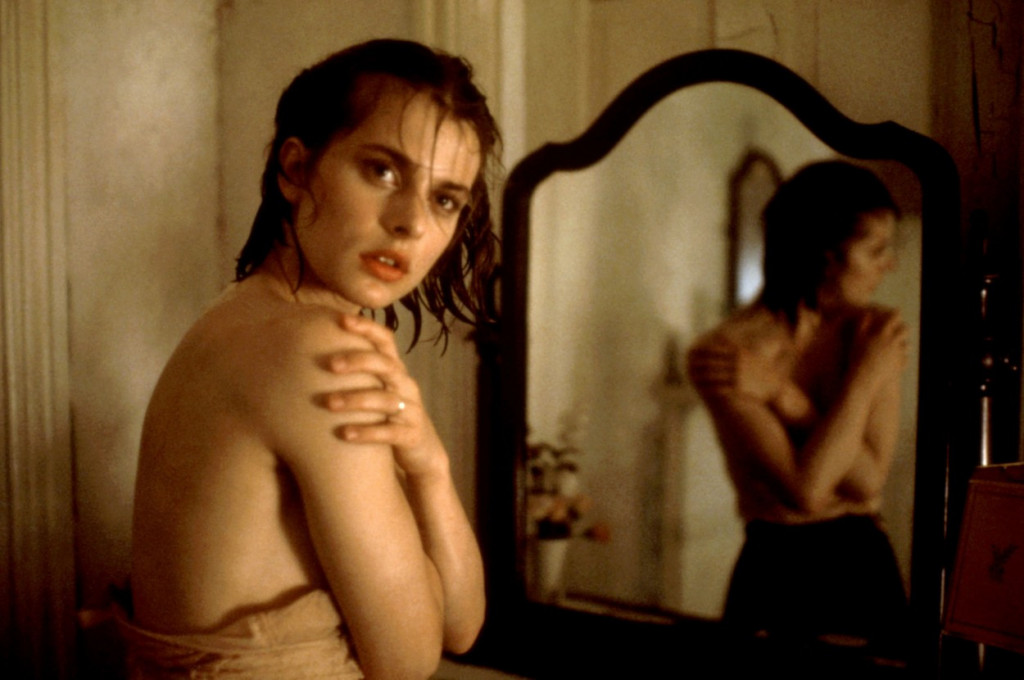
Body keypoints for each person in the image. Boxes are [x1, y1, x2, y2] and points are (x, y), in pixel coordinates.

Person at [123, 39, 500, 679]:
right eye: (382, 171)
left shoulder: (244, 315)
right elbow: (410, 662)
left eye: (444, 199)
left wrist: (429, 465)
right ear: (295, 170)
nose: (411, 223)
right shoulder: (311, 349)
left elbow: (462, 628)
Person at [687, 161, 910, 656]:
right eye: (877, 250)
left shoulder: (875, 335)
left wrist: (787, 399)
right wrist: (865, 379)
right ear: (827, 256)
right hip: (776, 569)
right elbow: (807, 491)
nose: (889, 265)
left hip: (864, 567)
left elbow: (868, 480)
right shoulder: (725, 351)